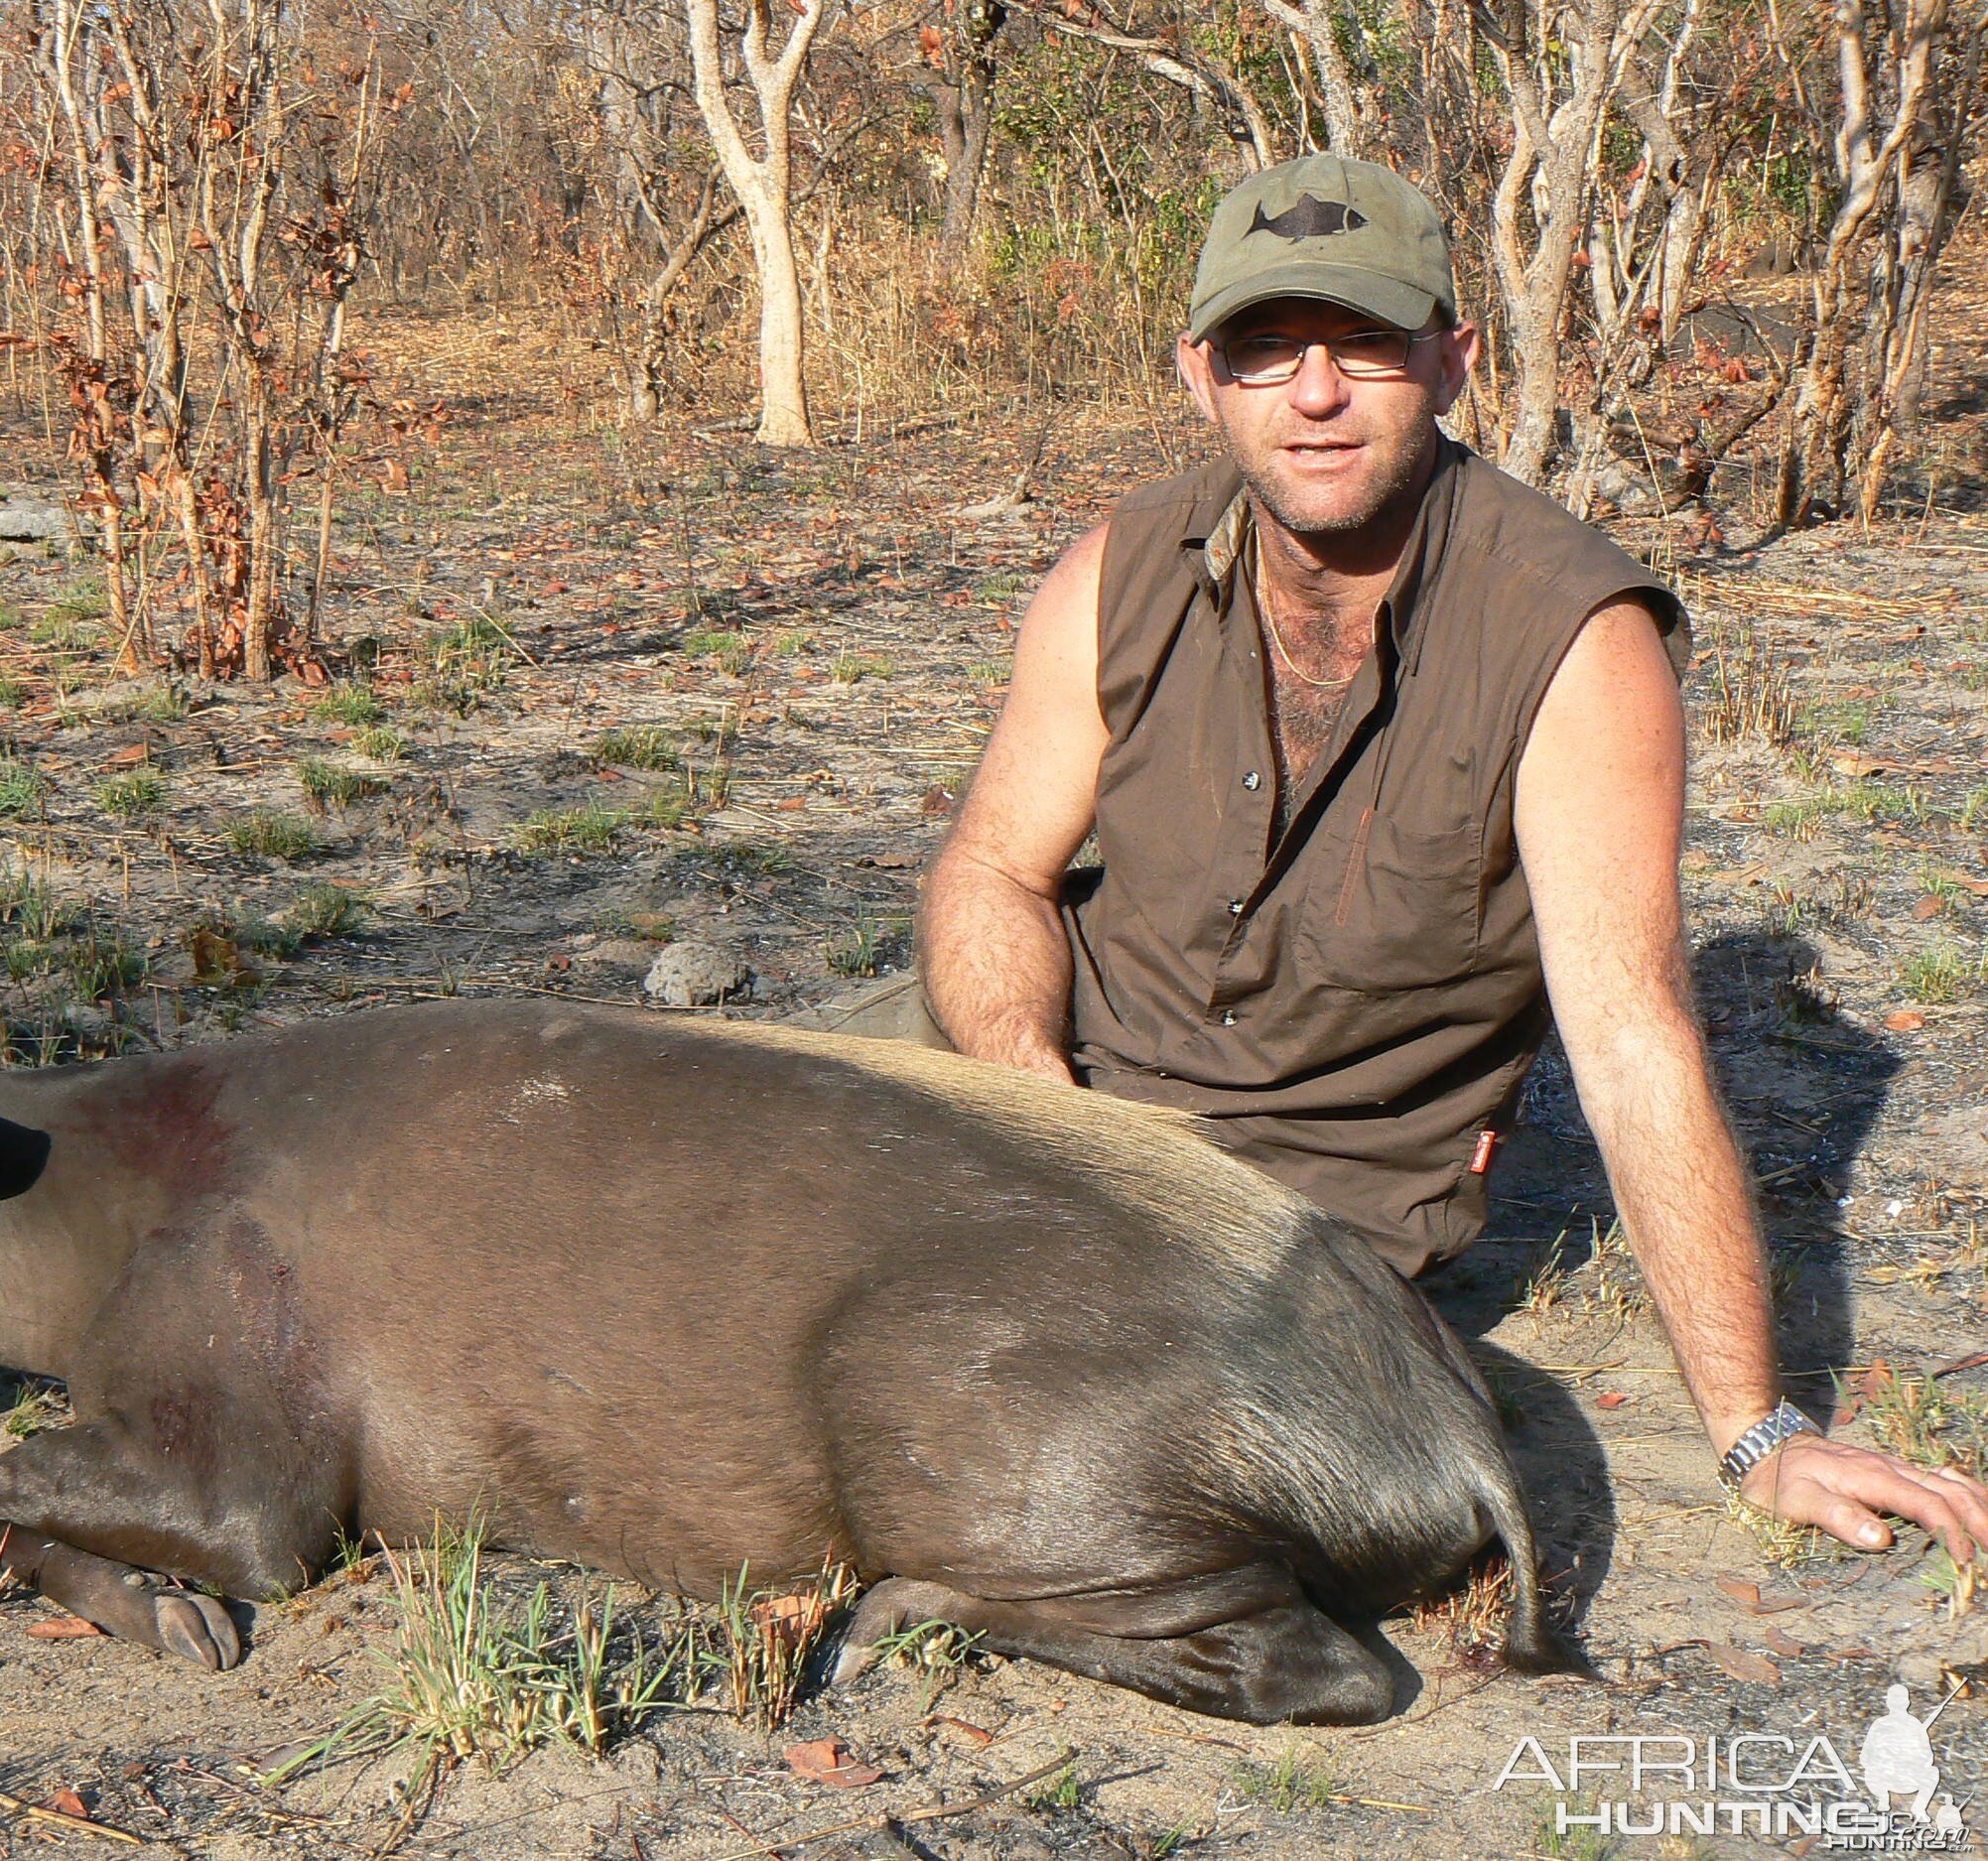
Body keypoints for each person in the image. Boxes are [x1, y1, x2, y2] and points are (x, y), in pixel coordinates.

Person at [841, 153, 1987, 1564]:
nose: (1313, 395)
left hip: (1282, 1215)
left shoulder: (1572, 638)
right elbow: (992, 874)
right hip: (1029, 1091)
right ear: (1199, 375)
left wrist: (1758, 1433)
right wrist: (1040, 1110)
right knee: (653, 1169)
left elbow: (1632, 1042)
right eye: (1265, 351)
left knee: (1157, 1501)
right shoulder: (1118, 568)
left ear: (1453, 360)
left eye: (1365, 344)